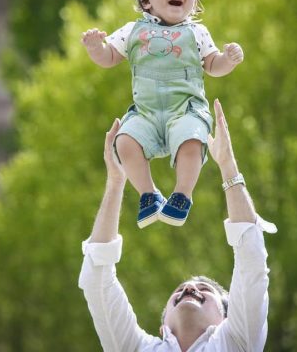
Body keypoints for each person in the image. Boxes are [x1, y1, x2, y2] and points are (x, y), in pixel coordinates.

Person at [79, 99, 277, 351]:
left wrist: (229, 165)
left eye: (204, 290)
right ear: (163, 328)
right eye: (188, 289)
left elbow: (251, 263)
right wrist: (116, 182)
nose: (190, 287)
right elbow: (97, 277)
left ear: (227, 320)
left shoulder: (236, 341)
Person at [81, 0, 244, 228]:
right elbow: (108, 58)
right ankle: (149, 195)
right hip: (146, 113)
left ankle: (182, 195)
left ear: (194, 2)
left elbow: (213, 65)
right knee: (124, 142)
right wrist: (95, 48)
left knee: (192, 142)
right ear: (146, 1)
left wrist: (228, 59)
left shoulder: (197, 33)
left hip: (185, 110)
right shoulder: (133, 30)